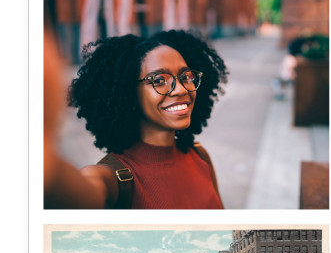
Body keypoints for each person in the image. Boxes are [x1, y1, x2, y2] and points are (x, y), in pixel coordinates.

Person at [45, 29, 228, 209]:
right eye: (159, 80)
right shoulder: (110, 179)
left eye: (186, 76)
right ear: (129, 94)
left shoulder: (200, 156)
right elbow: (70, 193)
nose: (181, 89)